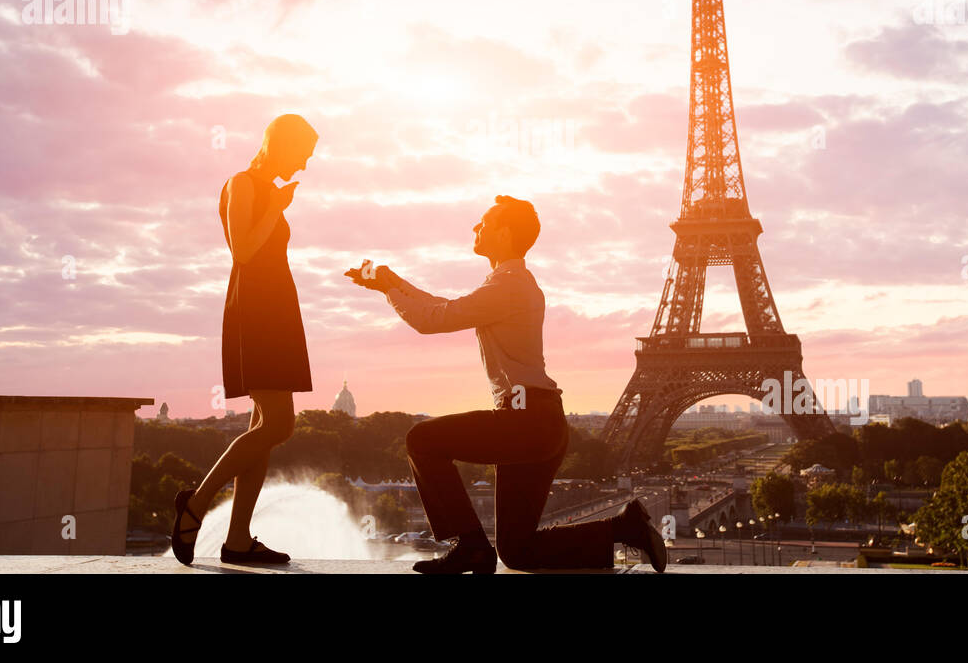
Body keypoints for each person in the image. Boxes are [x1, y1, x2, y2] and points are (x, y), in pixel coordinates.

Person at [345, 195, 666, 574]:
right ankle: (624, 527)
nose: (475, 228)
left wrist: (388, 287)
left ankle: (468, 546)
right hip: (537, 420)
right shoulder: (509, 284)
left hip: (524, 418)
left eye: (483, 222)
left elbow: (433, 318)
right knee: (518, 551)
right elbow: (442, 306)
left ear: (505, 232)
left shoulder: (509, 286)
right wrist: (392, 282)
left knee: (422, 440)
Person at [171, 113, 318, 566]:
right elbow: (243, 251)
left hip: (276, 311)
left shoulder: (266, 189)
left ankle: (236, 540)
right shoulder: (243, 184)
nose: (304, 166)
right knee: (279, 425)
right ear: (278, 143)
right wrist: (276, 206)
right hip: (255, 312)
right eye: (302, 154)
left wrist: (277, 203)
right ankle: (195, 505)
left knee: (263, 427)